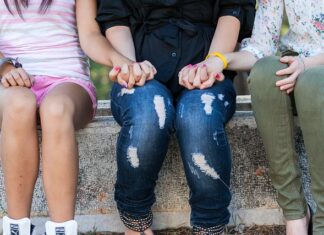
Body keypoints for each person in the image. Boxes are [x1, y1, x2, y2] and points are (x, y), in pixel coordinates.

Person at [95, 1, 256, 234]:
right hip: (139, 68)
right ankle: (136, 222)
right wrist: (131, 68)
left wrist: (209, 66)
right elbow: (115, 19)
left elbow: (232, 10)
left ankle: (210, 227)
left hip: (209, 67)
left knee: (199, 115)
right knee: (149, 113)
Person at [187, 0, 324, 234]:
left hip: (313, 72)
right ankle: (295, 214)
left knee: (313, 83)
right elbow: (260, 47)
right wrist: (221, 60)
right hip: (297, 65)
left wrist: (306, 64)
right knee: (263, 73)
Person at [0, 0, 97, 234]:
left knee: (56, 110)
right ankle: (16, 227)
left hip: (68, 80)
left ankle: (62, 229)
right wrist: (5, 67)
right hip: (9, 80)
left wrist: (120, 61)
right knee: (19, 105)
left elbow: (91, 35)